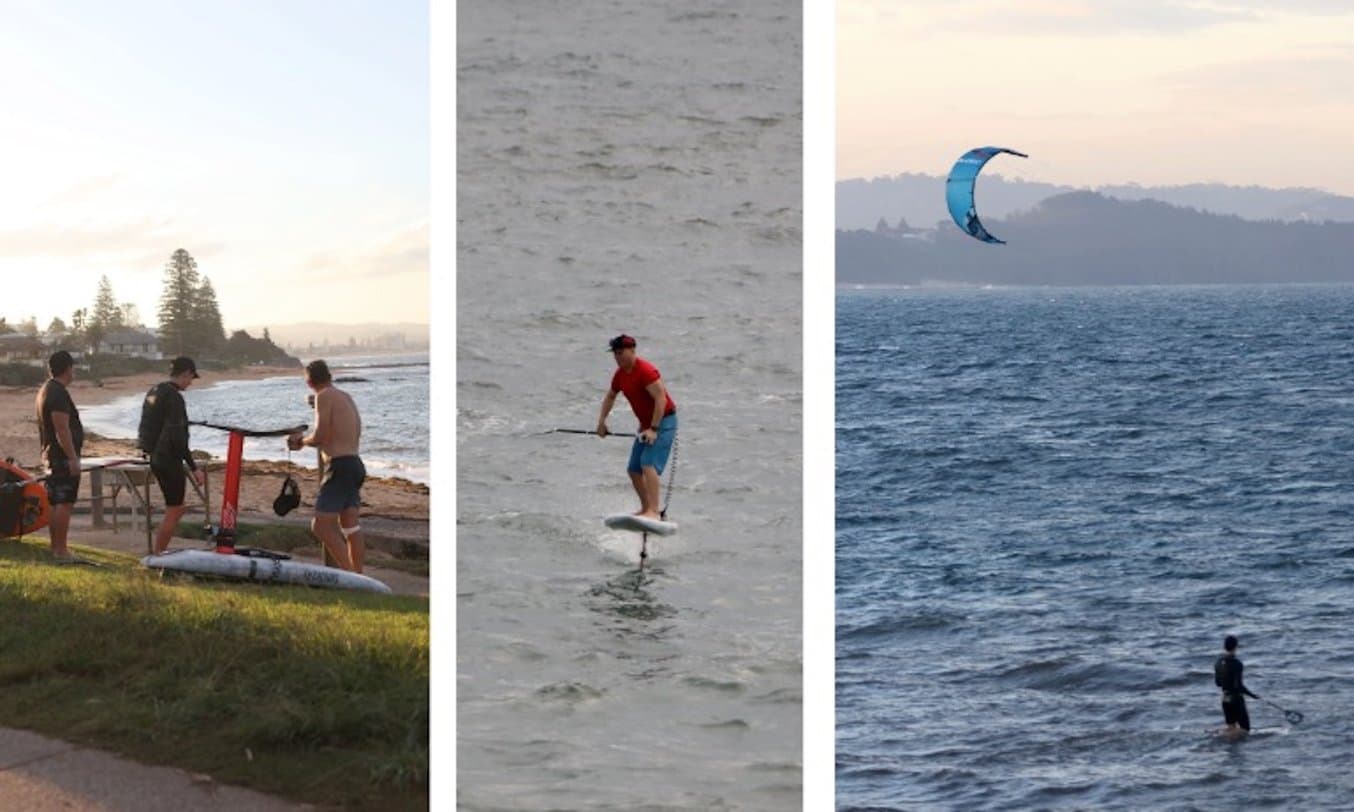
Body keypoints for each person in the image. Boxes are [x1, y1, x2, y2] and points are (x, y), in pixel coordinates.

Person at [287, 360, 365, 572]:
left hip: (339, 465)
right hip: (355, 463)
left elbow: (321, 435)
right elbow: (354, 431)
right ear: (329, 376)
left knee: (320, 525)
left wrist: (300, 442)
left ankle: (350, 573)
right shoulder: (346, 397)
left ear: (309, 382)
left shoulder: (323, 396)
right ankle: (361, 576)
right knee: (350, 527)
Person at [595, 334, 677, 519]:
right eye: (615, 354)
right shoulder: (620, 375)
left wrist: (654, 429)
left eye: (621, 353)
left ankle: (654, 512)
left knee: (647, 464)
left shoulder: (646, 371)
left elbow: (660, 398)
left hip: (664, 421)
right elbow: (610, 396)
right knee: (633, 469)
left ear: (632, 351)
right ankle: (646, 508)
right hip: (645, 426)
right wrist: (601, 422)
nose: (617, 357)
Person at [138, 356, 206, 554]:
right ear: (185, 374)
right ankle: (158, 554)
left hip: (154, 457)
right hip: (169, 459)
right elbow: (178, 436)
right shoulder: (175, 397)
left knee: (177, 507)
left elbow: (148, 425)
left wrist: (147, 450)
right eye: (191, 378)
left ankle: (160, 550)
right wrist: (194, 468)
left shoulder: (154, 391)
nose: (190, 383)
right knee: (174, 509)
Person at [35, 350, 84, 561]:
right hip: (60, 457)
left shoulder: (46, 389)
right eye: (73, 368)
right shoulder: (58, 392)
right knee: (64, 502)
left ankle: (56, 548)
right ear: (68, 368)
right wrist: (72, 457)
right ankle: (61, 550)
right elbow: (61, 428)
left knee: (56, 502)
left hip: (51, 455)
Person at [1215, 634, 1259, 734]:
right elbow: (1238, 686)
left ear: (1224, 647)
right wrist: (1253, 695)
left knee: (1231, 727)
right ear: (1236, 647)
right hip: (1236, 700)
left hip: (1225, 699)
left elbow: (1218, 683)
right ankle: (1222, 738)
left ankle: (1222, 739)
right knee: (1245, 730)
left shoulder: (1218, 663)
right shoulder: (1237, 664)